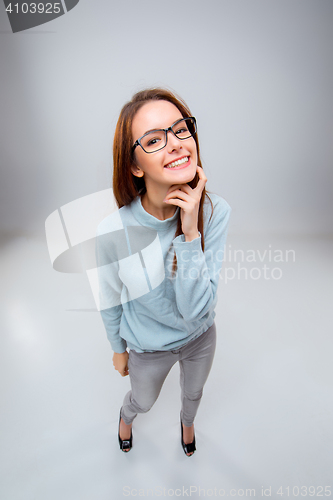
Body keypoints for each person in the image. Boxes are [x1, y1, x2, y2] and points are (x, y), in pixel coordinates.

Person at [96, 88, 231, 456]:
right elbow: (109, 298)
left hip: (200, 335)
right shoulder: (112, 232)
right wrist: (118, 348)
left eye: (181, 130)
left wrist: (190, 232)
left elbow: (195, 310)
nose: (176, 144)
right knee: (143, 400)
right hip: (149, 346)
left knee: (194, 392)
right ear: (135, 166)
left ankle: (188, 426)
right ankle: (126, 417)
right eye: (155, 139)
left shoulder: (215, 211)